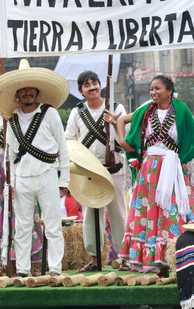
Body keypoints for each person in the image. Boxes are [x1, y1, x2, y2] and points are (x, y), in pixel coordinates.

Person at [109, 75, 194, 275]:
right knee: (150, 212)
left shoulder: (181, 109)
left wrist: (183, 160)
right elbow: (121, 120)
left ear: (169, 91)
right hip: (149, 170)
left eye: (157, 88)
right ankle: (154, 259)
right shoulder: (145, 110)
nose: (153, 92)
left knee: (172, 211)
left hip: (173, 167)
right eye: (151, 89)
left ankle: (177, 255)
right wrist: (123, 142)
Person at [0, 59, 70, 277]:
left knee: (52, 224)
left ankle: (55, 269)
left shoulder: (49, 113)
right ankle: (22, 270)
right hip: (21, 178)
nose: (28, 93)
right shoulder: (11, 120)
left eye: (31, 89)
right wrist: (10, 183)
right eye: (23, 89)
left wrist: (64, 181)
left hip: (47, 174)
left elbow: (63, 149)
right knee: (21, 227)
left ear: (37, 91)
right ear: (17, 94)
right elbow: (10, 155)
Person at [65, 70, 127, 272]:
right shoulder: (77, 112)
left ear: (101, 86)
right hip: (89, 172)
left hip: (114, 168)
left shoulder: (116, 108)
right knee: (91, 215)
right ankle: (94, 259)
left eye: (95, 83)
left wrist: (115, 123)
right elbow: (69, 141)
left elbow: (125, 140)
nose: (92, 87)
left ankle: (125, 257)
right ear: (81, 91)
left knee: (118, 212)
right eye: (86, 85)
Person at [0, 110, 43, 273]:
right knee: (0, 213)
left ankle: (25, 264)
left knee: (22, 210)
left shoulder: (21, 114)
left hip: (18, 165)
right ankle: (6, 264)